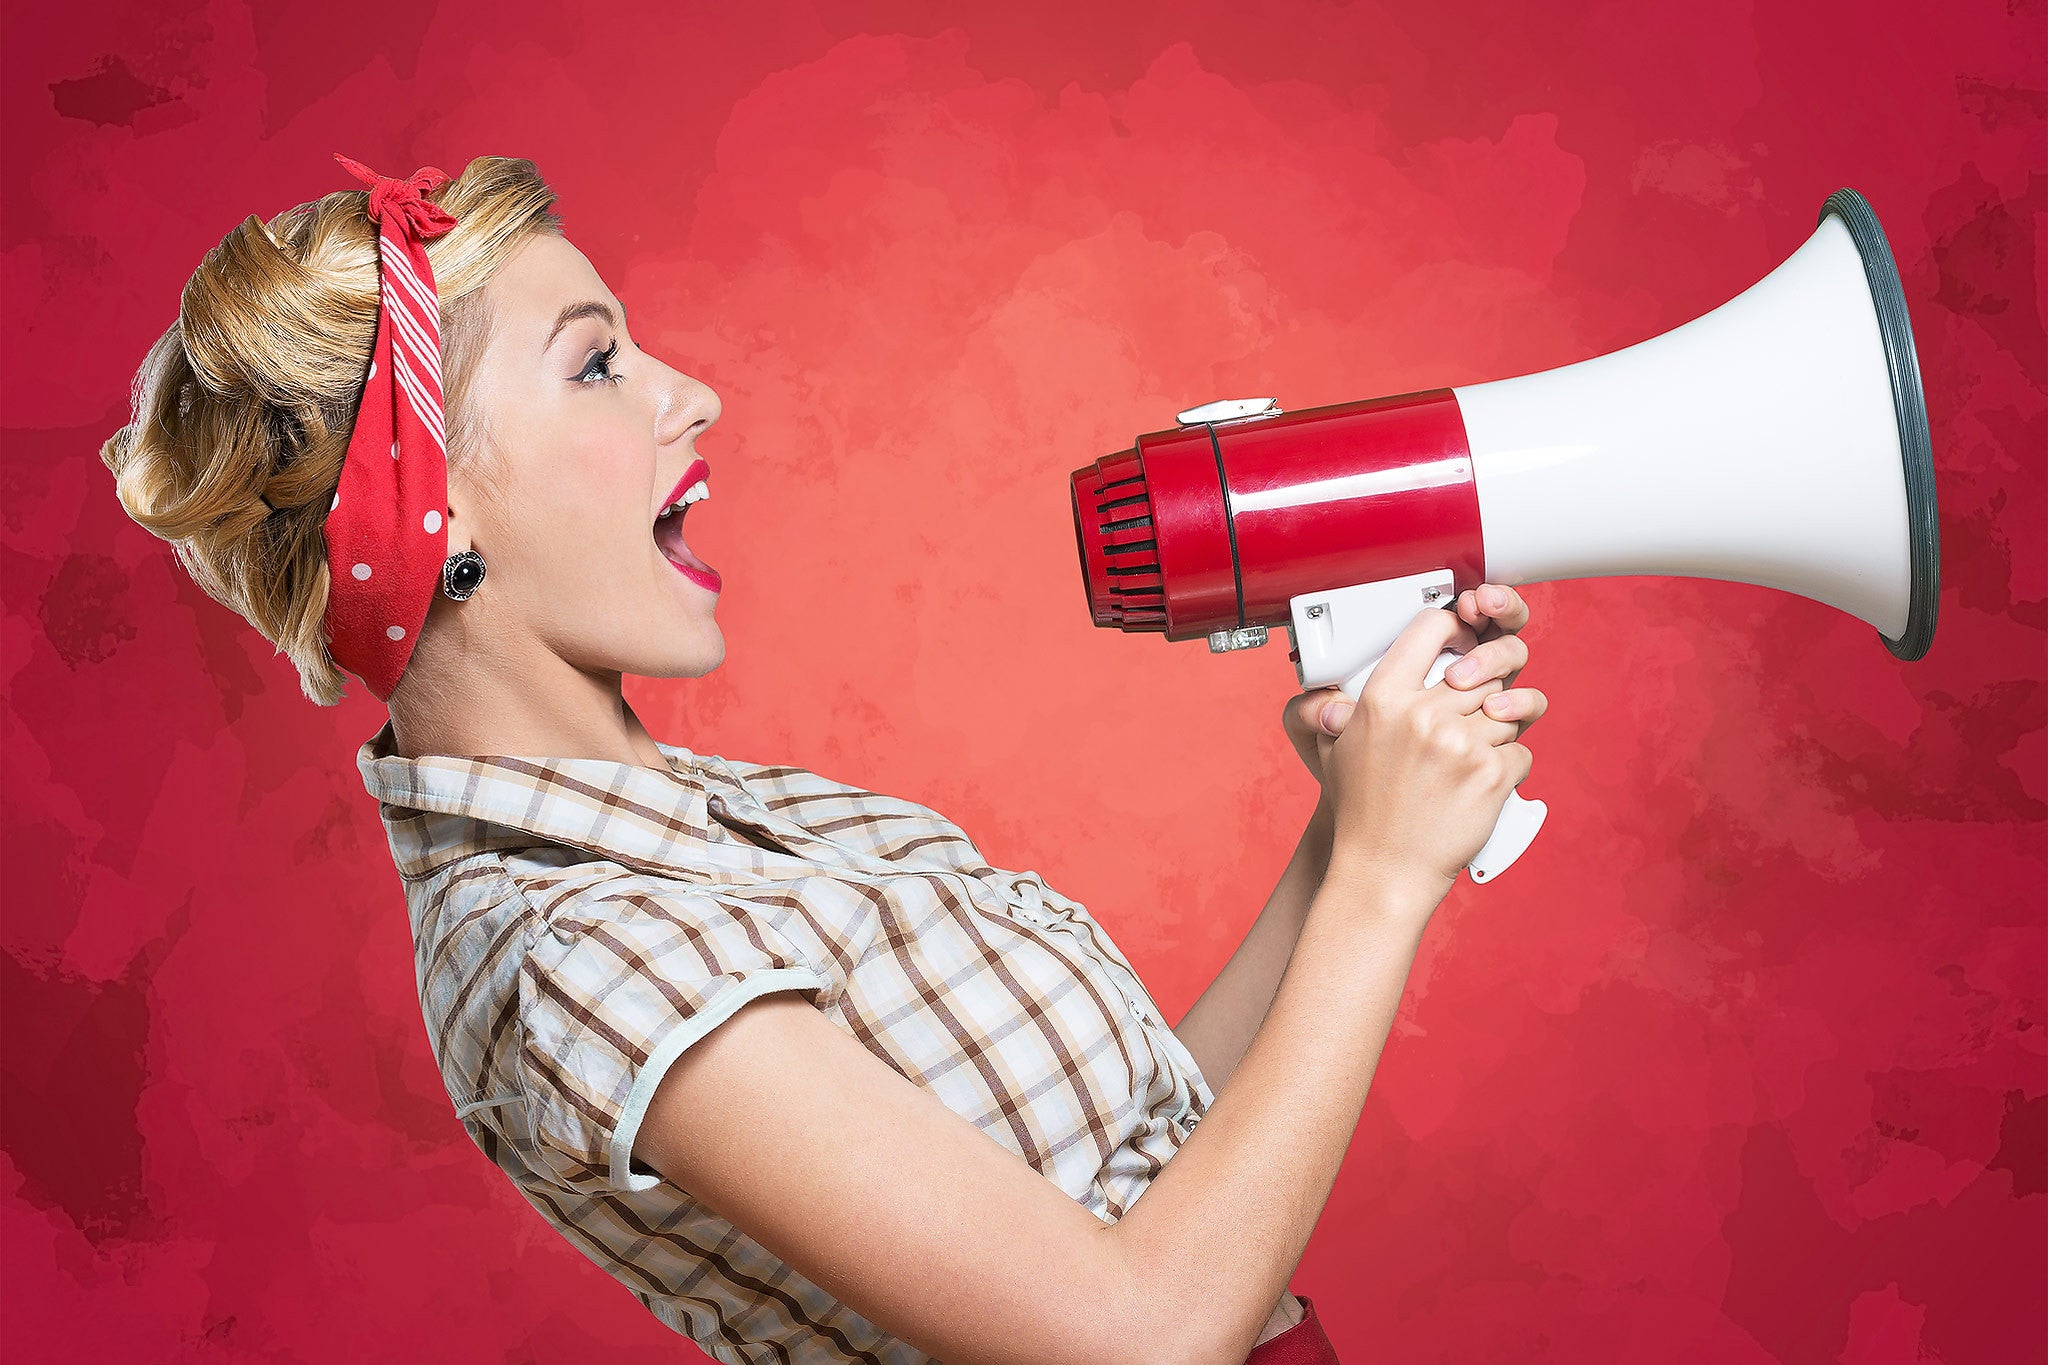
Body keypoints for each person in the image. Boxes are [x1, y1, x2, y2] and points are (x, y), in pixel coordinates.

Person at [101, 153, 1546, 1364]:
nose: (694, 393)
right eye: (599, 363)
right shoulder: (580, 955)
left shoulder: (742, 819)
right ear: (439, 518)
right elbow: (1143, 1332)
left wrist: (1346, 826)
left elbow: (1142, 1153)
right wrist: (1381, 885)